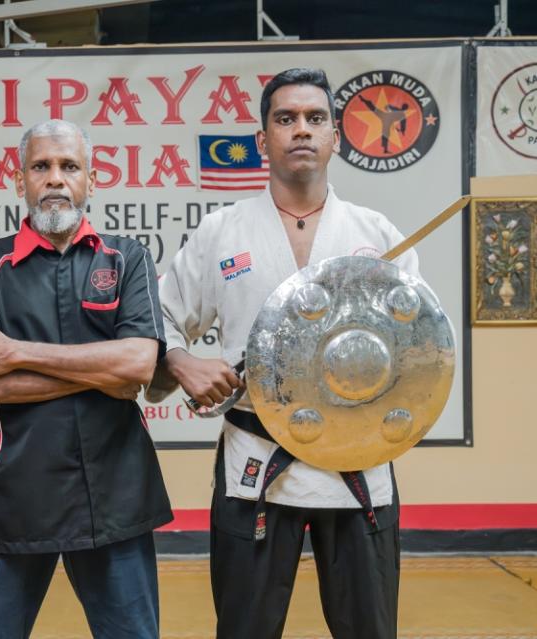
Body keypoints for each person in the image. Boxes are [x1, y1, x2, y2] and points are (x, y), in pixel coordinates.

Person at [156, 68, 419, 639]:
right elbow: (163, 319)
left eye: (315, 118)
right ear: (263, 139)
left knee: (370, 629)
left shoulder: (377, 234)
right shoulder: (222, 232)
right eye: (285, 119)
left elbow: (418, 351)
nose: (301, 130)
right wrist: (181, 361)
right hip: (256, 458)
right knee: (244, 628)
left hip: (357, 460)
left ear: (335, 137)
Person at [0, 119, 173, 639]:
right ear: (20, 180)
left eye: (69, 166)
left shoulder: (127, 258)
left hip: (115, 493)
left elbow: (139, 366)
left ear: (90, 181)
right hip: (13, 493)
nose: (55, 178)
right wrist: (103, 374)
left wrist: (16, 353)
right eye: (41, 167)